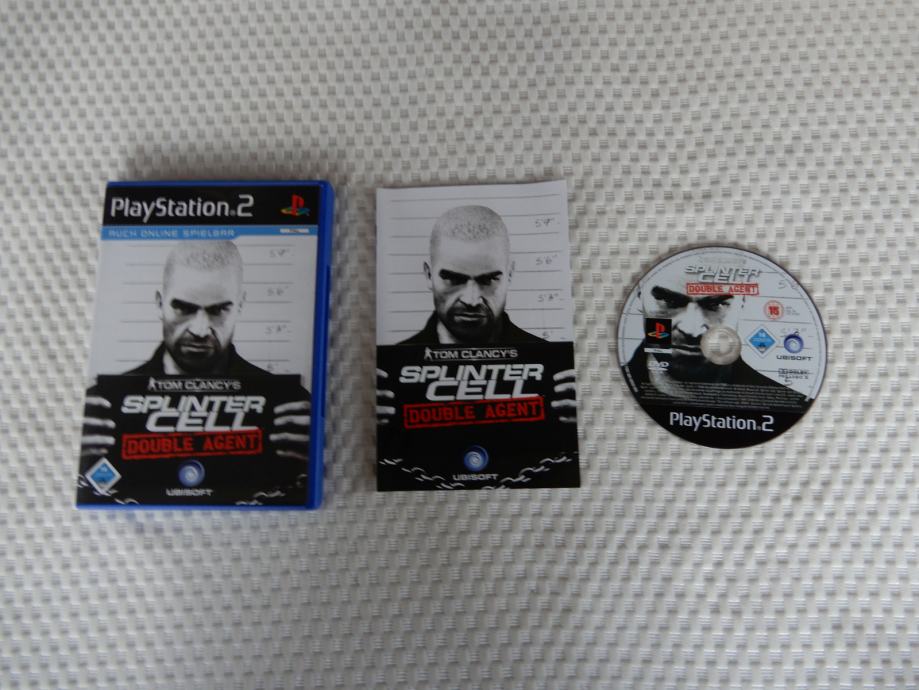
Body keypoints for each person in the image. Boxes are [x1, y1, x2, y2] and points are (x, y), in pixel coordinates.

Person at [81, 241, 310, 462]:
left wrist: (316, 455)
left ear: (240, 305)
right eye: (183, 308)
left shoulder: (290, 408)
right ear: (159, 304)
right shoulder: (102, 406)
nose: (200, 330)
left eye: (218, 310)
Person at [623, 268, 805, 405]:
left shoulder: (788, 406)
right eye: (668, 301)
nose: (692, 330)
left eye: (716, 305)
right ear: (640, 298)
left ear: (743, 303)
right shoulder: (611, 394)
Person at [400, 205, 544, 345]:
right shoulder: (395, 359)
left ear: (510, 274)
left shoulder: (548, 358)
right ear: (429, 275)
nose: (471, 301)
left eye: (488, 280)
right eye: (454, 280)